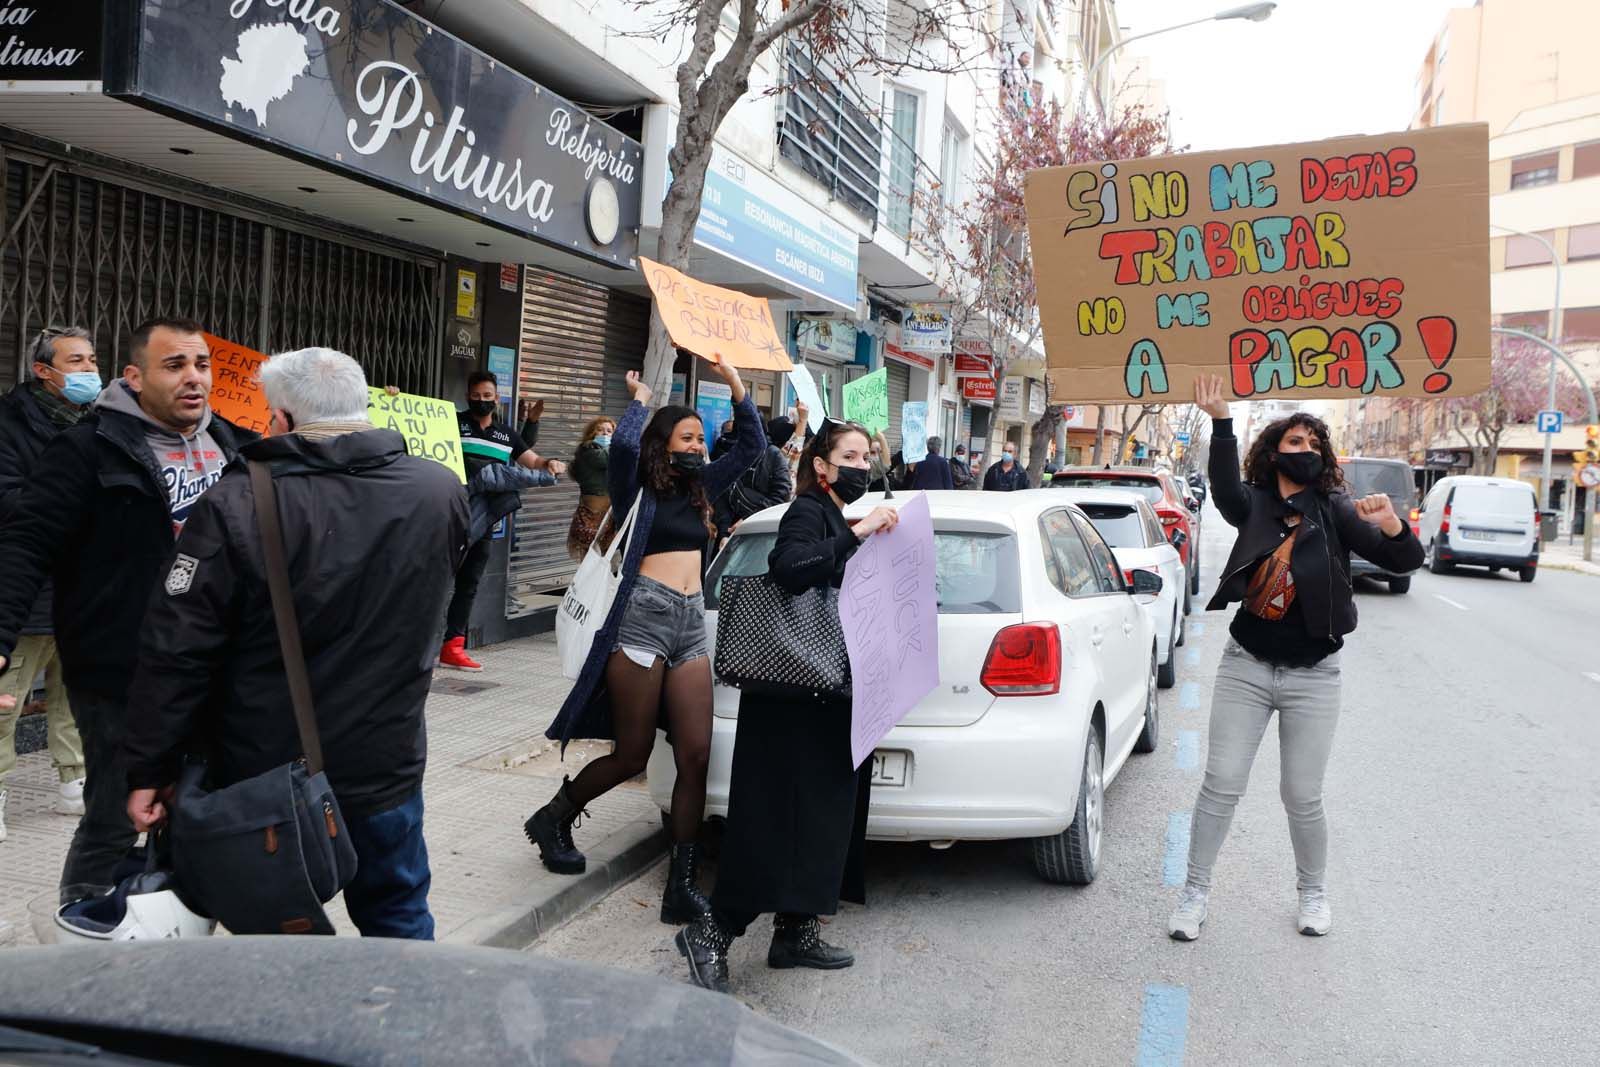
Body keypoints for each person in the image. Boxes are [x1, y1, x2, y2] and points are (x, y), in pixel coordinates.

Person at [122, 347, 469, 940]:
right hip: (387, 763)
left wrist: (150, 765)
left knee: (276, 935)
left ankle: (293, 1029)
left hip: (266, 776)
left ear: (281, 420)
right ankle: (411, 1027)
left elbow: (177, 652)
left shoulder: (238, 502)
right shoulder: (439, 490)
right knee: (400, 918)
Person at [0, 317, 254, 893]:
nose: (194, 379)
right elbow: (26, 540)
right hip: (122, 671)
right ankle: (82, 930)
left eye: (202, 365)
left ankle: (169, 935)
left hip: (218, 670)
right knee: (116, 815)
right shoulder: (89, 448)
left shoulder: (236, 446)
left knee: (199, 813)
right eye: (174, 366)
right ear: (134, 377)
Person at [1167, 374, 1423, 943]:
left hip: (1315, 676)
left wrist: (1393, 525)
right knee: (1221, 783)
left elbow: (1402, 560)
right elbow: (1224, 486)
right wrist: (1222, 421)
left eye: (1313, 444)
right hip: (1247, 667)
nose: (1305, 451)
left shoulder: (1335, 508)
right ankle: (1194, 893)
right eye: (1294, 443)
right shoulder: (1251, 504)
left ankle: (1312, 892)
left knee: (1301, 794)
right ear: (1273, 451)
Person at [527, 359, 764, 926]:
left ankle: (680, 888)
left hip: (688, 622)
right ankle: (553, 816)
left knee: (696, 755)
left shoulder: (703, 485)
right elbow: (627, 446)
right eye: (687, 437)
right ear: (666, 443)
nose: (698, 446)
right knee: (631, 753)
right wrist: (640, 399)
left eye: (701, 438)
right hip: (641, 619)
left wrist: (735, 384)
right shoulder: (634, 486)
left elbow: (752, 446)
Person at [677, 418, 900, 994]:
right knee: (774, 824)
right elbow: (791, 569)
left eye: (866, 456)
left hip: (824, 700)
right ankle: (711, 931)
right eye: (849, 456)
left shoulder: (831, 515)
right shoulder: (806, 511)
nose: (861, 465)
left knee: (825, 818)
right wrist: (860, 531)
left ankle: (795, 931)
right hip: (791, 708)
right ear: (821, 467)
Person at [0, 327, 95, 839]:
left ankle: (73, 781)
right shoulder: (9, 422)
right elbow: (8, 499)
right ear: (44, 371)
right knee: (7, 697)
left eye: (92, 359)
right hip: (25, 588)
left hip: (82, 588)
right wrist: (73, 510)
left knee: (73, 694)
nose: (88, 370)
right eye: (76, 361)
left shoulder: (98, 423)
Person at [440, 371, 565, 672]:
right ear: (468, 395)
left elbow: (532, 460)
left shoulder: (506, 434)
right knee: (430, 579)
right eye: (476, 395)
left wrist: (549, 463)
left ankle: (452, 646)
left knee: (468, 584)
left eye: (488, 396)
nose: (482, 401)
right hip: (446, 514)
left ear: (497, 398)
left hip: (483, 520)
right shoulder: (451, 423)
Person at [713, 414, 794, 542]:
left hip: (760, 533)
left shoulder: (773, 456)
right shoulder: (733, 456)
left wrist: (748, 519)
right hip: (730, 535)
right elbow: (723, 496)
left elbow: (781, 496)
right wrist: (724, 533)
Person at [566, 415, 615, 560]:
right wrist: (620, 445)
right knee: (590, 555)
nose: (605, 433)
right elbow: (604, 459)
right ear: (592, 433)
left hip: (610, 509)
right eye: (600, 430)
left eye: (609, 431)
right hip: (592, 508)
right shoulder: (587, 449)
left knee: (608, 553)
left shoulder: (612, 452)